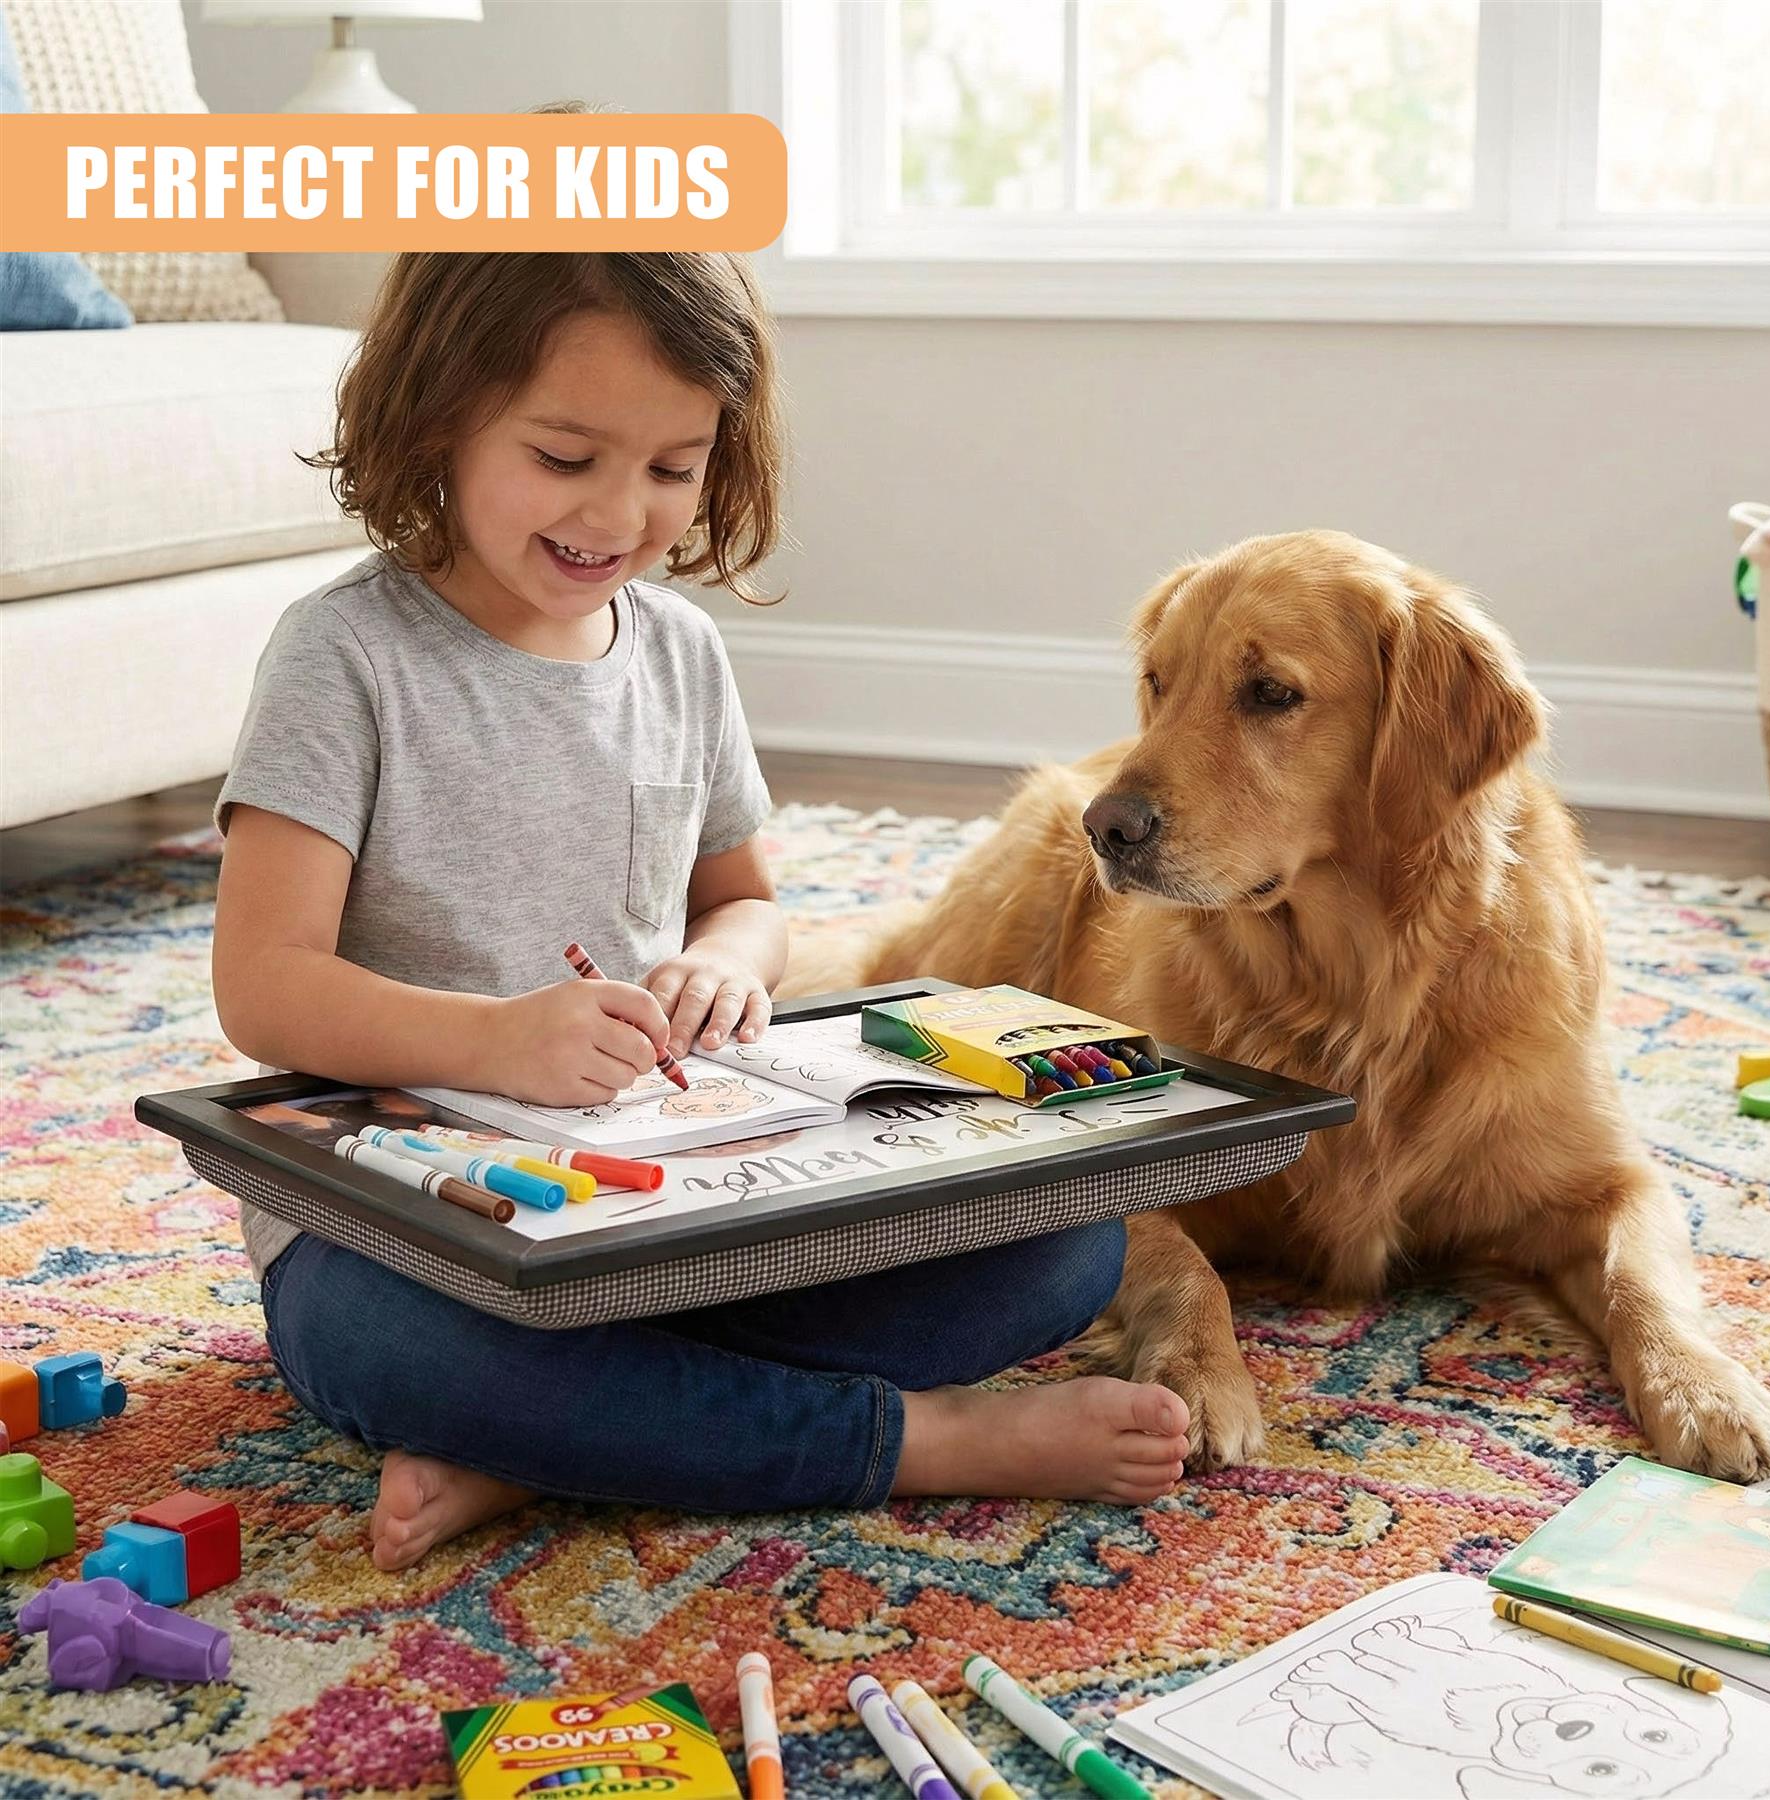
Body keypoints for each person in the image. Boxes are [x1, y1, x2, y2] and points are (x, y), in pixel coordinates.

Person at [211, 245, 1190, 1571]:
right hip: (411, 1221)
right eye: (565, 458)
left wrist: (728, 963)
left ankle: (566, 1441)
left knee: (1067, 1248)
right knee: (388, 1351)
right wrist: (492, 1041)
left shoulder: (678, 650)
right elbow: (262, 985)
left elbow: (746, 905)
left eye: (674, 469)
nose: (621, 513)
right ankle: (916, 1442)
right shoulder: (345, 656)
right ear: (436, 416)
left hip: (657, 1205)